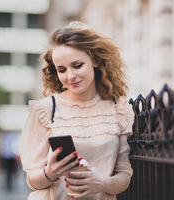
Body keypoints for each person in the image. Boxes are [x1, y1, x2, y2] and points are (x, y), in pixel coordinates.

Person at [20, 21, 134, 200]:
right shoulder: (46, 109)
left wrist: (102, 183)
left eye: (77, 65)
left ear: (95, 60)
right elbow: (32, 181)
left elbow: (124, 176)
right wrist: (50, 172)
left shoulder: (118, 108)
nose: (70, 76)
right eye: (62, 70)